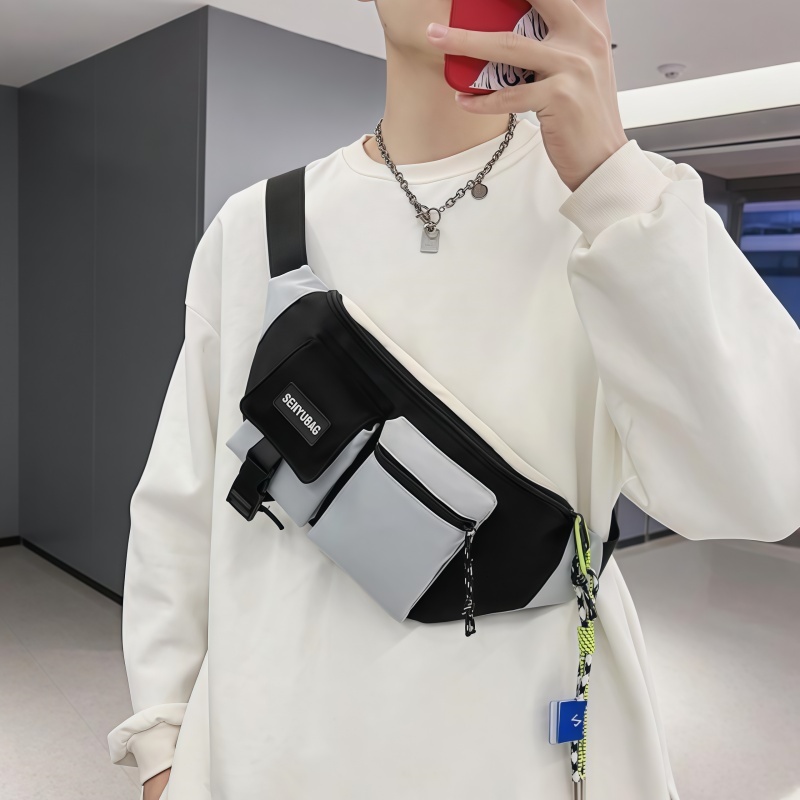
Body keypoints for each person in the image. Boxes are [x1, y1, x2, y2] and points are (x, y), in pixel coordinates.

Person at [106, 1, 800, 798]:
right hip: (271, 747)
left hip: (525, 753)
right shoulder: (255, 227)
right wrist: (161, 741)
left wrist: (611, 179)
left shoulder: (614, 210)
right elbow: (182, 501)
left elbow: (759, 491)